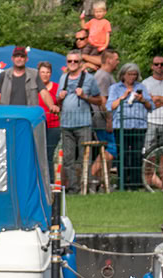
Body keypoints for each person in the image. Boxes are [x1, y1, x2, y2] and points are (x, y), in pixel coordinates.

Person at [57, 52, 96, 191]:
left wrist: (85, 96)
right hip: (66, 124)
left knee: (85, 158)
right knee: (68, 159)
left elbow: (99, 99)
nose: (72, 63)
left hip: (83, 124)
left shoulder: (89, 79)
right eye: (69, 61)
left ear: (80, 63)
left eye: (75, 61)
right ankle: (73, 188)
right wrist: (60, 97)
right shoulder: (63, 78)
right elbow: (57, 100)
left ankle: (86, 187)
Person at [108, 63, 151, 187]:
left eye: (134, 75)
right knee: (123, 154)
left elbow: (150, 106)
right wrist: (123, 97)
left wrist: (143, 100)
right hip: (121, 126)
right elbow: (111, 106)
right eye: (130, 74)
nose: (132, 77)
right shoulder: (115, 88)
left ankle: (136, 183)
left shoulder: (141, 87)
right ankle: (123, 182)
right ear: (123, 75)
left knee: (137, 154)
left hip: (138, 125)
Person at [90, 50, 120, 183]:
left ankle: (103, 182)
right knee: (112, 149)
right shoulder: (103, 76)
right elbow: (103, 101)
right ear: (109, 60)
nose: (118, 62)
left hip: (106, 120)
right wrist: (109, 119)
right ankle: (89, 176)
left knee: (108, 149)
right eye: (116, 59)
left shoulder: (107, 75)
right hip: (102, 121)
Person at [36, 61, 61, 169]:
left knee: (49, 153)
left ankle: (49, 180)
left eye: (47, 72)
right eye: (42, 72)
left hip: (53, 126)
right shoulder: (33, 88)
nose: (45, 75)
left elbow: (60, 105)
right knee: (38, 153)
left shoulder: (57, 87)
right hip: (38, 125)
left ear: (51, 74)